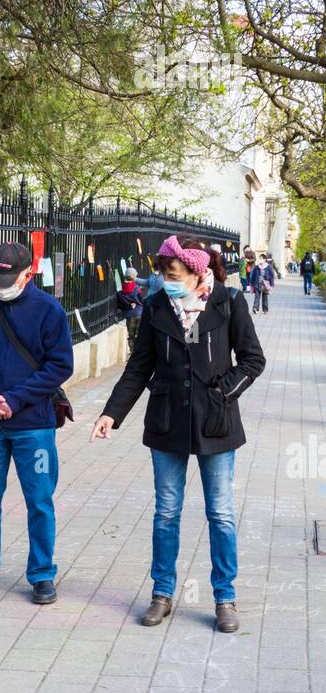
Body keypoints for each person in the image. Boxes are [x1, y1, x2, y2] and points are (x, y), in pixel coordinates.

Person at [89, 234, 265, 634]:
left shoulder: (229, 302)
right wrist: (110, 414)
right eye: (164, 273)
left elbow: (253, 359)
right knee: (166, 513)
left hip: (216, 423)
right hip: (167, 421)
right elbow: (139, 367)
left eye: (173, 274)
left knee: (220, 513)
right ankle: (162, 594)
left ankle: (225, 598)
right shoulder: (155, 306)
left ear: (196, 271)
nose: (166, 279)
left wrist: (223, 392)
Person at [0, 241, 74, 604]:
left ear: (28, 274)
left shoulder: (49, 311)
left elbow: (60, 366)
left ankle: (41, 574)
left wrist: (16, 399)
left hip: (33, 426)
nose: (0, 287)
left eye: (8, 279)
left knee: (39, 499)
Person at [117, 270, 144, 353]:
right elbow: (141, 300)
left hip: (128, 315)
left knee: (131, 335)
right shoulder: (137, 288)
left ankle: (132, 352)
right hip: (139, 313)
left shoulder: (121, 289)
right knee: (139, 334)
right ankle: (139, 351)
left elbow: (119, 303)